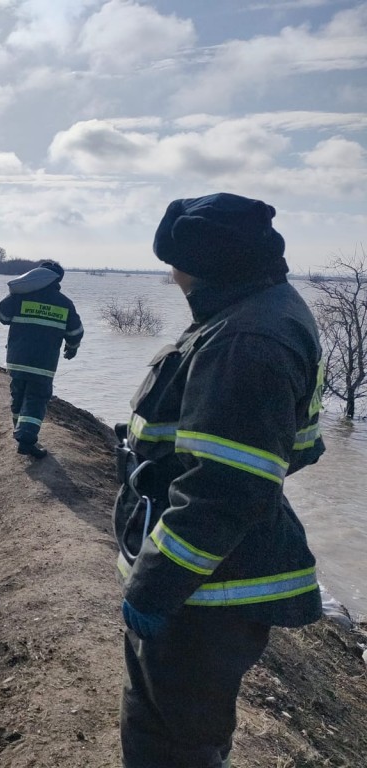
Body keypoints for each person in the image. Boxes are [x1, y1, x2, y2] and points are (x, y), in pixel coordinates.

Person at [114, 193, 325, 768]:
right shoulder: (254, 309)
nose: (171, 275)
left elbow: (226, 490)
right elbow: (284, 450)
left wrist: (155, 587)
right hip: (209, 575)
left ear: (203, 264)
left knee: (172, 742)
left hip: (205, 589)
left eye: (174, 263)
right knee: (180, 730)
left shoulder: (245, 339)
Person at [0, 259, 82, 458]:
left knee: (18, 396)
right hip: (43, 363)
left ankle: (19, 430)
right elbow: (75, 332)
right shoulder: (64, 303)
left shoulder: (20, 296)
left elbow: (2, 317)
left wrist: (14, 295)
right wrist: (72, 348)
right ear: (58, 280)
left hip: (17, 359)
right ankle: (26, 440)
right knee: (36, 399)